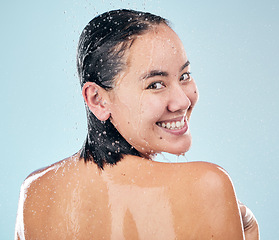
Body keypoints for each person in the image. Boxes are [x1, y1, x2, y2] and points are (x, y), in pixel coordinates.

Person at [15, 9, 259, 239]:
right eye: (155, 84)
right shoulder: (205, 185)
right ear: (98, 99)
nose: (183, 101)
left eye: (184, 76)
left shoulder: (35, 193)